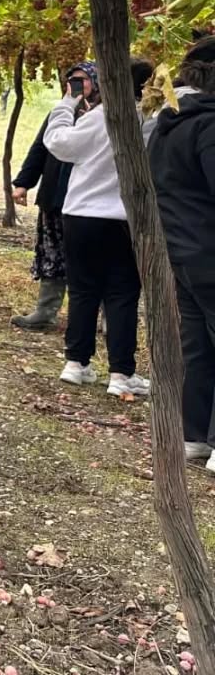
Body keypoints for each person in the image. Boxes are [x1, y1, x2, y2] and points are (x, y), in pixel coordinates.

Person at [44, 57, 154, 400]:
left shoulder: (98, 118)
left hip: (80, 216)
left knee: (83, 289)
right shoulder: (152, 121)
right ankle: (121, 373)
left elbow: (59, 143)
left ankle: (76, 364)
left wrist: (67, 103)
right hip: (124, 219)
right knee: (122, 293)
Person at [149, 36, 215, 468]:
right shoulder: (210, 125)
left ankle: (193, 437)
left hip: (179, 251)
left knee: (197, 347)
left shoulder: (166, 123)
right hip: (210, 251)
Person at [9, 65, 90, 331]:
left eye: (83, 80)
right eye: (73, 80)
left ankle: (102, 318)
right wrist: (23, 183)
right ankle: (46, 312)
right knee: (52, 253)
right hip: (55, 196)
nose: (76, 84)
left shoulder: (107, 115)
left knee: (92, 258)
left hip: (90, 201)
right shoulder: (60, 113)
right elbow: (40, 148)